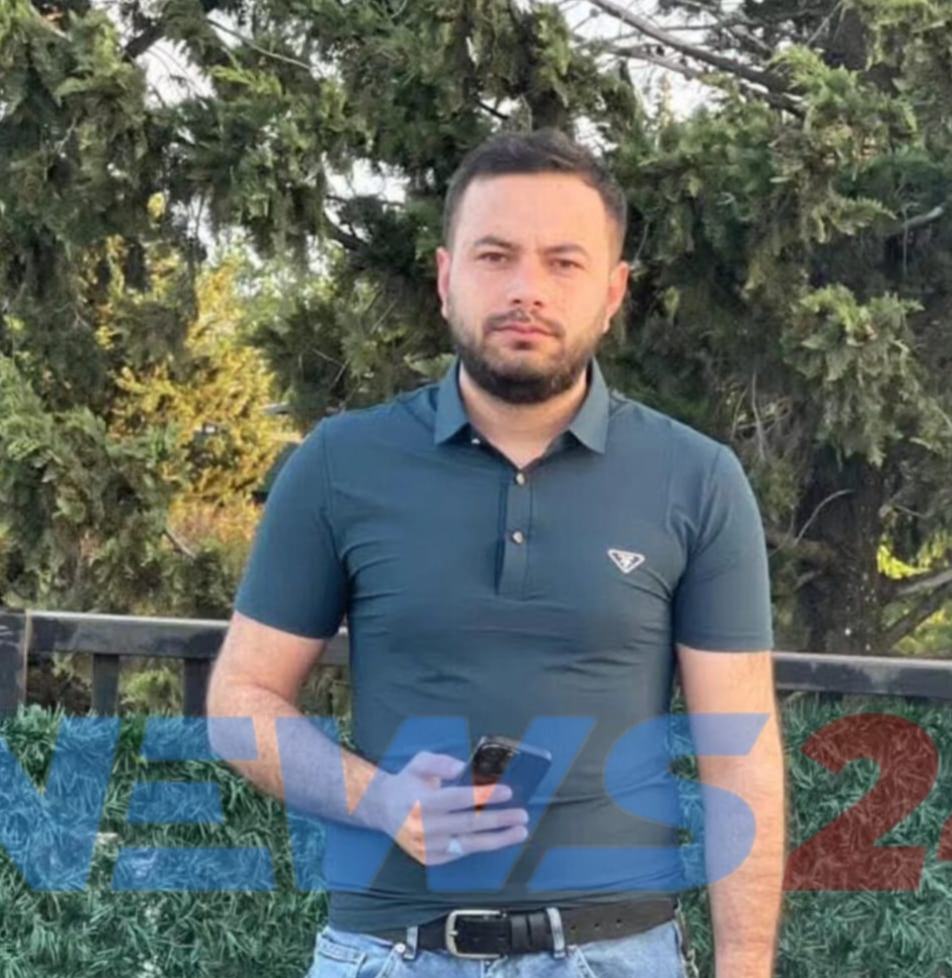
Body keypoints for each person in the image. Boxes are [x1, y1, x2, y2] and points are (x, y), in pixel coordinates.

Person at [206, 128, 785, 977]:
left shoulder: (695, 479)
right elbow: (240, 700)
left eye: (563, 262)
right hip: (387, 954)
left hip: (617, 957)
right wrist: (379, 800)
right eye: (494, 256)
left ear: (612, 292)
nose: (526, 289)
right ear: (446, 278)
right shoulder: (339, 464)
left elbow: (739, 757)